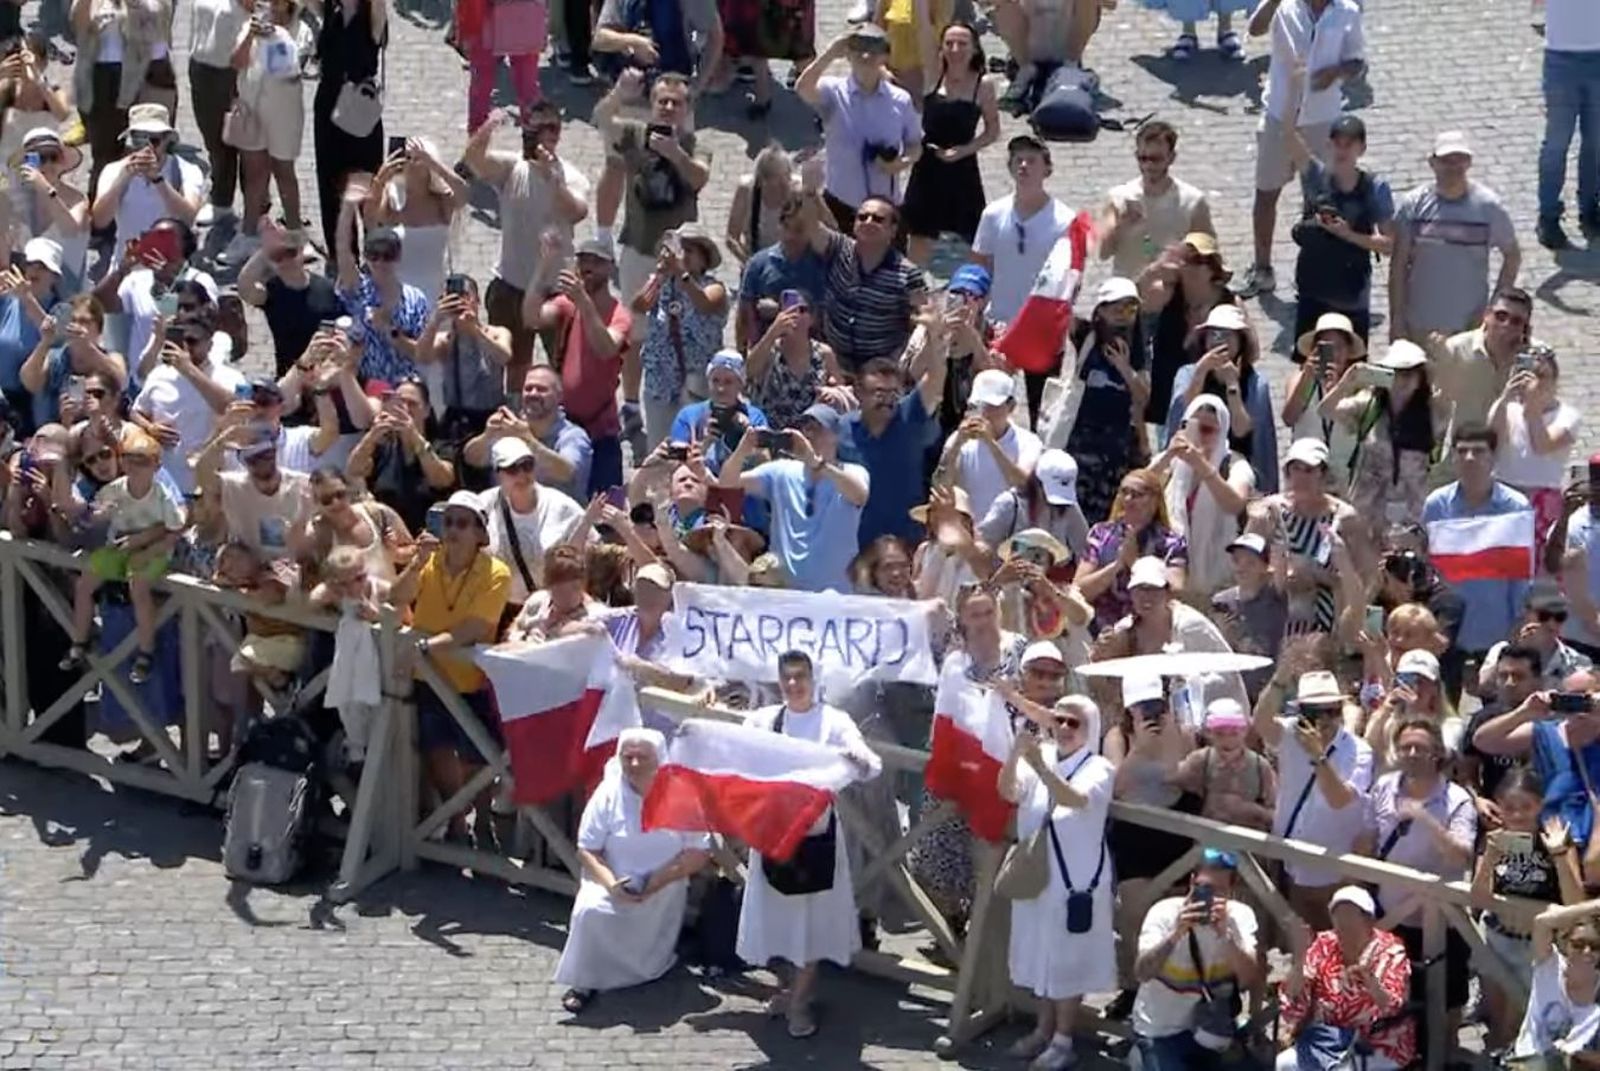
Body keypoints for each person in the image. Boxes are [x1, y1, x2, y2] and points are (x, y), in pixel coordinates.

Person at [736, 650, 882, 1040]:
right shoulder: (765, 720)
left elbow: (871, 764)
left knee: (812, 925)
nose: (794, 684)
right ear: (779, 681)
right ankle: (787, 989)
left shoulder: (834, 721)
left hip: (816, 838)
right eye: (787, 678)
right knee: (775, 921)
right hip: (773, 837)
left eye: (801, 676)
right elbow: (732, 748)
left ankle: (800, 1001)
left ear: (813, 678)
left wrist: (858, 757)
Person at [553, 727, 711, 1012]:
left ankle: (647, 967)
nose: (635, 764)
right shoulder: (608, 793)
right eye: (629, 757)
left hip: (664, 881)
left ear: (660, 759)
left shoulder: (682, 794)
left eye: (643, 757)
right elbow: (587, 849)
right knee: (590, 912)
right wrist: (613, 884)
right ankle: (584, 981)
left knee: (648, 920)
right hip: (610, 877)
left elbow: (698, 852)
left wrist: (656, 881)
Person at [998, 690, 1115, 1071]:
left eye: (1074, 722)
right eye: (1059, 719)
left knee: (1067, 960)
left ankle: (1063, 1040)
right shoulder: (1042, 756)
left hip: (1075, 881)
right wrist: (1017, 753)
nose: (1064, 727)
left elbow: (1075, 799)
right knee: (1040, 954)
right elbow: (1008, 791)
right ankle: (1042, 1029)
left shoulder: (1100, 768)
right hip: (1038, 875)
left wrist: (1040, 766)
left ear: (1090, 728)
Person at [390, 490, 510, 845]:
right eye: (448, 522)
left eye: (462, 523)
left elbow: (474, 628)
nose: (452, 530)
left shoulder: (496, 572)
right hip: (429, 676)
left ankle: (483, 820)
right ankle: (455, 821)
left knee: (479, 756)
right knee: (437, 749)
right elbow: (396, 598)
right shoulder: (430, 560)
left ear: (480, 533)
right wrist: (414, 564)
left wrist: (423, 646)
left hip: (470, 678)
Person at [1355, 717, 1476, 1048]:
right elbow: (1367, 840)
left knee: (1450, 996)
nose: (1411, 753)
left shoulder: (1458, 800)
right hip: (1392, 913)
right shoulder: (1382, 787)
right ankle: (1398, 1052)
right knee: (1394, 991)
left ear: (1437, 752)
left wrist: (1423, 818)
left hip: (1445, 918)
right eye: (1405, 747)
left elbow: (1460, 856)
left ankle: (1447, 1056)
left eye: (1420, 748)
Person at [1236, 0, 1365, 299]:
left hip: (1324, 118)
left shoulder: (1348, 11)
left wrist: (1336, 71)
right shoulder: (1284, 7)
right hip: (1280, 115)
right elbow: (1255, 29)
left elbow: (1357, 62)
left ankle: (1313, 273)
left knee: (1322, 199)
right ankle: (1262, 268)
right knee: (1266, 193)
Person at [462, 104, 589, 391]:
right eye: (537, 129)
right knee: (515, 366)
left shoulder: (571, 176)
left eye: (553, 128)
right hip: (511, 285)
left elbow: (577, 212)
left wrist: (553, 181)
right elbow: (473, 160)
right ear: (525, 131)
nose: (546, 135)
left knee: (564, 365)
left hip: (556, 289)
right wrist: (489, 126)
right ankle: (516, 416)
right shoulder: (511, 167)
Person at [1470, 768, 1586, 1052]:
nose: (1518, 815)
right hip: (1498, 939)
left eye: (1526, 807)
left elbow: (1575, 903)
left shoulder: (1557, 838)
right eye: (1510, 808)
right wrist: (1490, 857)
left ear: (1540, 805)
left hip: (1542, 949)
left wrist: (1558, 853)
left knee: (1532, 1027)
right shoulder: (1494, 839)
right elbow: (1477, 898)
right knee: (1500, 1024)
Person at [593, 70, 710, 348]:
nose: (668, 108)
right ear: (652, 105)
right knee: (634, 331)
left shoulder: (696, 145)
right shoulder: (634, 134)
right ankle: (633, 393)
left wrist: (676, 155)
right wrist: (619, 93)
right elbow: (601, 119)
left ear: (687, 109)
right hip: (638, 249)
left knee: (681, 331)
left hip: (681, 258)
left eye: (676, 103)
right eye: (662, 102)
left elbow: (700, 177)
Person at [1253, 668, 1374, 930]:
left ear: (1340, 711)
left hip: (1337, 868)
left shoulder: (1359, 751)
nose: (1323, 721)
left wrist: (1318, 756)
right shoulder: (1289, 734)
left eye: (1330, 711)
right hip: (1293, 860)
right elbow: (1260, 722)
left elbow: (1339, 800)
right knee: (1302, 941)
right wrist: (1279, 679)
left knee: (1337, 945)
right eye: (1313, 713)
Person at [60, 428, 182, 684]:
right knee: (86, 581)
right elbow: (92, 516)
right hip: (120, 546)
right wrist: (94, 515)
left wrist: (148, 548)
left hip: (155, 549)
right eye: (128, 459)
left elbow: (174, 532)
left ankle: (146, 651)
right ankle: (80, 640)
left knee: (138, 586)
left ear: (155, 464)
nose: (134, 466)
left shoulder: (162, 493)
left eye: (142, 461)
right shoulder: (116, 489)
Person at [1130, 850, 1262, 1070]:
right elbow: (1142, 972)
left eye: (1218, 892)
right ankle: (1142, 1055)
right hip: (1160, 1030)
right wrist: (1176, 934)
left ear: (1231, 891)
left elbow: (1248, 979)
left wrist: (1227, 938)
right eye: (1204, 888)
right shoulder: (1163, 913)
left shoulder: (1240, 917)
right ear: (1192, 882)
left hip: (1213, 1030)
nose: (1209, 898)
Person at [972, 135, 1076, 405]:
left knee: (1041, 408)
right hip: (999, 323)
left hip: (1041, 328)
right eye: (1018, 159)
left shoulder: (1064, 220)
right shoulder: (993, 214)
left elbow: (1071, 280)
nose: (1024, 166)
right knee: (990, 404)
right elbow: (980, 266)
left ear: (1047, 169)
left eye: (1032, 160)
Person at [719, 404, 869, 592]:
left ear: (835, 436)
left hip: (834, 596)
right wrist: (743, 450)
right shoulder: (781, 471)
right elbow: (726, 484)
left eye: (817, 429)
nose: (809, 435)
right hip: (786, 597)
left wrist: (815, 462)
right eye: (805, 429)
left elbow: (859, 495)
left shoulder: (852, 472)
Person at [1389, 132, 1521, 343]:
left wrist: (1495, 308)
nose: (1453, 167)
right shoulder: (1413, 206)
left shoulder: (1488, 207)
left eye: (1459, 160)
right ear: (1432, 163)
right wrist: (1397, 319)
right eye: (1446, 161)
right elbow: (1398, 265)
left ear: (1469, 162)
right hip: (1419, 326)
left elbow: (1512, 256)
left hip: (1469, 330)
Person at [1421, 426, 1533, 669]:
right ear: (1453, 457)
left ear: (1493, 457)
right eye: (1462, 451)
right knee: (1441, 706)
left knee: (1498, 706)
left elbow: (1521, 575)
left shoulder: (1515, 506)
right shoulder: (1436, 505)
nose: (1469, 458)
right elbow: (1429, 568)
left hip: (1495, 630)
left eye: (1478, 451)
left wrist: (1517, 625)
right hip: (1445, 631)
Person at [795, 25, 922, 236]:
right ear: (848, 55)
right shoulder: (833, 91)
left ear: (884, 57)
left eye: (873, 50)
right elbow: (803, 88)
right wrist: (830, 53)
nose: (865, 55)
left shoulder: (900, 100)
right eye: (858, 49)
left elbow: (914, 144)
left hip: (885, 209)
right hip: (840, 206)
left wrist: (901, 163)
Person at [529, 239, 630, 496]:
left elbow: (606, 347)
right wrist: (542, 268)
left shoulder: (620, 314)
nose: (588, 266)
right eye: (583, 259)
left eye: (596, 261)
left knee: (608, 511)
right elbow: (531, 318)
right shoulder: (567, 304)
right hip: (564, 428)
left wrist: (583, 302)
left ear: (610, 268)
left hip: (602, 430)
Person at [1320, 339, 1447, 538]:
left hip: (1413, 517)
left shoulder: (1432, 411)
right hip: (1367, 514)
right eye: (1395, 373)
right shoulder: (1368, 404)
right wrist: (1347, 383)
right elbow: (1326, 410)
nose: (1403, 380)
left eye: (1411, 373)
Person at [1278, 886, 1414, 1070]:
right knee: (1285, 1064)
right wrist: (1301, 956)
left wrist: (1371, 982)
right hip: (1327, 1039)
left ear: (1368, 920)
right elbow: (1294, 998)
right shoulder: (1326, 943)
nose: (1343, 923)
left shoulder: (1389, 952)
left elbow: (1393, 1006)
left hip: (1377, 1043)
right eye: (1337, 916)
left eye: (1349, 916)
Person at [1287, 113, 1393, 348]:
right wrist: (1290, 89)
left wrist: (1349, 235)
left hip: (1351, 294)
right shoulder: (1315, 177)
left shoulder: (1374, 188)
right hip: (1313, 289)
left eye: (1349, 144)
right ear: (1328, 144)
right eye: (1337, 143)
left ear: (1361, 149)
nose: (1342, 150)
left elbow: (1389, 245)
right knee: (1308, 363)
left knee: (1352, 363)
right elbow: (1287, 134)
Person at [899, 19, 997, 267]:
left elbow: (992, 131)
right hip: (928, 165)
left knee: (977, 238)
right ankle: (911, 293)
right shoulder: (934, 74)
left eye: (962, 44)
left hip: (963, 167)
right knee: (919, 236)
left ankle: (980, 292)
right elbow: (922, 30)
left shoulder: (982, 85)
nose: (955, 50)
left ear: (974, 48)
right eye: (949, 43)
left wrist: (964, 151)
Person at [226, 0, 312, 263]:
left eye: (278, 3)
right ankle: (248, 234)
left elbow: (290, 72)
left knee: (284, 172)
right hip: (252, 110)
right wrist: (251, 35)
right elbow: (236, 62)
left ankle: (295, 235)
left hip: (284, 113)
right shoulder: (249, 26)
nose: (272, 6)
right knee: (254, 174)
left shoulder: (301, 30)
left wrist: (276, 37)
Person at [1162, 303, 1277, 495]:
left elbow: (1243, 430)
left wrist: (1232, 386)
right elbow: (1181, 416)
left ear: (1240, 341)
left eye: (1227, 335)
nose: (1219, 341)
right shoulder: (1187, 373)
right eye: (1213, 334)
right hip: (1191, 459)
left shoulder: (1256, 383)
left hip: (1236, 466)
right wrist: (1201, 373)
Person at [633, 224, 729, 447]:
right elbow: (639, 305)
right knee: (660, 451)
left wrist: (682, 274)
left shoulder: (714, 287)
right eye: (679, 249)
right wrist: (659, 275)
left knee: (695, 448)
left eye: (689, 250)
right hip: (660, 385)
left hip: (695, 382)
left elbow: (705, 303)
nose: (682, 255)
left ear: (703, 259)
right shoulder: (662, 285)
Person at [130, 309, 243, 497]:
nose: (185, 348)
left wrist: (188, 369)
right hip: (166, 486)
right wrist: (150, 428)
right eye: (182, 340)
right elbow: (136, 412)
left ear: (209, 344)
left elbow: (230, 409)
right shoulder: (159, 375)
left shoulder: (229, 377)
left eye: (192, 342)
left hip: (210, 486)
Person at [1061, 277, 1148, 523]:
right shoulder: (1087, 335)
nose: (1123, 315)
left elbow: (1143, 396)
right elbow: (1060, 312)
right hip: (1083, 441)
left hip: (1118, 445)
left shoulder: (1137, 345)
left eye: (1130, 308)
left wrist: (1124, 368)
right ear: (1101, 310)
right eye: (1116, 307)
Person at [71, 0, 177, 201]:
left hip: (151, 71)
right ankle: (103, 220)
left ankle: (155, 213)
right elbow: (79, 24)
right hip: (104, 78)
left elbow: (161, 19)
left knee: (153, 150)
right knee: (106, 154)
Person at [308, 0, 389, 260]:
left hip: (359, 108)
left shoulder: (372, 18)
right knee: (330, 182)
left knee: (367, 183)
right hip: (328, 105)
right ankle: (342, 252)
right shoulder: (330, 11)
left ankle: (376, 250)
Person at [1152, 394, 1254, 597]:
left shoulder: (1235, 464)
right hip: (1173, 575)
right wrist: (1168, 455)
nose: (1199, 434)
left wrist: (1202, 464)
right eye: (1191, 426)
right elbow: (1138, 487)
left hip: (1220, 578)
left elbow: (1234, 504)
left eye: (1207, 430)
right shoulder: (1172, 463)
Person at [814, 193, 928, 374]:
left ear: (893, 230)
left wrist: (898, 363)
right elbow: (809, 225)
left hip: (879, 374)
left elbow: (922, 320)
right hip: (833, 365)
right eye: (862, 217)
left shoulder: (908, 274)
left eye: (878, 219)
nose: (868, 221)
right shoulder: (838, 249)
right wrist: (809, 192)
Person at [476, 436, 588, 613]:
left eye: (527, 465)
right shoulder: (483, 506)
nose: (521, 474)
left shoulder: (562, 507)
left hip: (551, 609)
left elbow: (590, 555)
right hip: (499, 608)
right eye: (512, 469)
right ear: (498, 474)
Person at [1138, 232, 1238, 426]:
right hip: (1169, 394)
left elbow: (1252, 348)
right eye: (1186, 260)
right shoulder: (1169, 294)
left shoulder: (1229, 301)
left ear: (1212, 268)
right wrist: (1155, 269)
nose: (1190, 266)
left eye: (1199, 260)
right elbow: (1139, 300)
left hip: (1213, 394)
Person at [1428, 287, 1536, 463]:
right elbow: (1441, 402)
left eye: (1516, 321)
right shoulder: (1456, 349)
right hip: (1465, 452)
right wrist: (1441, 364)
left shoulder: (1532, 358)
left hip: (1511, 457)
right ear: (1487, 315)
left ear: (1525, 327)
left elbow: (1542, 408)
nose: (1506, 325)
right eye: (1501, 316)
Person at [1098, 120, 1214, 282]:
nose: (1148, 166)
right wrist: (1121, 225)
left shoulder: (1192, 201)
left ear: (1171, 158)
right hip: (1129, 290)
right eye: (1142, 158)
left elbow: (1209, 253)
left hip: (1172, 289)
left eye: (1156, 159)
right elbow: (1103, 253)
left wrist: (1181, 254)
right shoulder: (1119, 198)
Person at [361, 137, 469, 307]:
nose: (410, 164)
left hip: (435, 294)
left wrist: (434, 164)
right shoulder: (393, 200)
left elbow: (463, 194)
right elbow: (369, 218)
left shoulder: (441, 202)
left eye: (417, 159)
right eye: (407, 158)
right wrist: (380, 179)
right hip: (397, 295)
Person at [1077, 469, 1188, 633]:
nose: (1128, 500)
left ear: (1154, 501)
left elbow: (1175, 592)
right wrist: (1117, 566)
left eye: (1137, 494)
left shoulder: (1172, 542)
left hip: (1148, 633)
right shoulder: (1101, 534)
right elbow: (1079, 590)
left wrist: (1135, 563)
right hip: (1102, 632)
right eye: (1124, 492)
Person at [1489, 345, 1579, 545]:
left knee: (1537, 563)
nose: (1536, 382)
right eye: (1531, 374)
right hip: (1504, 490)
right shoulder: (1508, 408)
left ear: (1555, 381)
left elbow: (1542, 445)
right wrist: (1505, 397)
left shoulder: (1567, 415)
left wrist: (1533, 406)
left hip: (1542, 495)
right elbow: (1491, 438)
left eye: (1543, 376)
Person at [462, 365, 592, 501]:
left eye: (542, 389)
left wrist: (527, 439)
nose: (533, 394)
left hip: (558, 519)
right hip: (508, 517)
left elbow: (568, 472)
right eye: (528, 388)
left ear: (559, 396)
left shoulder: (572, 436)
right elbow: (471, 459)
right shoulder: (511, 427)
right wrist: (487, 435)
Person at [344, 377, 455, 532]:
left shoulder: (441, 446)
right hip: (388, 538)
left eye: (413, 404)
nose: (406, 409)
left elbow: (442, 479)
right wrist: (373, 435)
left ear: (427, 410)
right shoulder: (383, 449)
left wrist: (414, 436)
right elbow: (353, 470)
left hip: (429, 540)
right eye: (400, 402)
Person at [412, 272, 513, 436]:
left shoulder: (497, 333)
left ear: (477, 300)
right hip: (456, 417)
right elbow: (422, 357)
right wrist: (435, 320)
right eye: (451, 298)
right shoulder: (445, 340)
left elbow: (504, 356)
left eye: (465, 296)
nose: (459, 302)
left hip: (490, 416)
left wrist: (475, 331)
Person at [935, 368, 1041, 523]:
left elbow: (1022, 484)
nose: (985, 413)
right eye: (980, 405)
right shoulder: (959, 440)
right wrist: (956, 445)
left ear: (1011, 406)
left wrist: (991, 443)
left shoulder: (1028, 442)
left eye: (992, 406)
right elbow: (941, 486)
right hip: (971, 531)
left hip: (1011, 531)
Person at [236, 224, 343, 378]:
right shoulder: (272, 291)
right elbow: (244, 286)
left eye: (291, 253)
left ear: (302, 253)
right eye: (278, 257)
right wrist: (266, 250)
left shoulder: (326, 287)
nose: (286, 261)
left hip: (327, 374)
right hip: (289, 377)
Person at [333, 217, 430, 385]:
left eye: (388, 256)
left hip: (403, 387)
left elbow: (421, 354)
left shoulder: (415, 299)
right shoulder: (358, 289)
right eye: (374, 256)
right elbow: (342, 249)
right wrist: (348, 206)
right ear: (365, 257)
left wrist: (390, 330)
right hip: (363, 385)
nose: (380, 262)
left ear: (398, 257)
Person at [1536, 0, 1600, 248]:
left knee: (1596, 141)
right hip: (1560, 59)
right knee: (1557, 143)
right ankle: (1549, 216)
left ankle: (1590, 208)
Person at [18, 293, 126, 430]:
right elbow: (29, 383)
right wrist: (45, 342)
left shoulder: (112, 358)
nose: (76, 325)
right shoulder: (54, 358)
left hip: (99, 435)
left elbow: (121, 381)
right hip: (54, 435)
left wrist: (87, 347)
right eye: (72, 320)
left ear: (99, 329)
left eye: (84, 321)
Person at [187, 0, 251, 231]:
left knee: (244, 142)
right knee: (215, 139)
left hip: (234, 72)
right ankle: (221, 201)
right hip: (201, 67)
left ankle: (255, 211)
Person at [745, 290, 844, 433]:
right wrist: (772, 333)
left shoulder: (824, 354)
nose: (795, 315)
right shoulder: (770, 350)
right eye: (789, 310)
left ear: (812, 318)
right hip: (772, 434)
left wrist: (831, 394)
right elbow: (748, 371)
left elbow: (841, 393)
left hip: (809, 436)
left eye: (802, 310)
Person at [1510, 902, 1600, 1060]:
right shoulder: (1550, 966)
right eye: (1578, 944)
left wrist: (1577, 1056)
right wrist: (1595, 906)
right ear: (1566, 944)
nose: (1586, 952)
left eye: (1595, 946)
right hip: (1525, 1061)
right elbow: (1542, 922)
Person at [5, 127, 90, 296]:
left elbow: (70, 229)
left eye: (54, 157)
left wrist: (46, 189)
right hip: (28, 292)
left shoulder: (77, 199)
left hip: (68, 294)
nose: (49, 164)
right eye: (41, 158)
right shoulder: (20, 202)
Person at [724, 144, 795, 265]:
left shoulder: (798, 192)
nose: (784, 184)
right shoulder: (746, 191)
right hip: (756, 259)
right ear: (762, 180)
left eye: (787, 176)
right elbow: (731, 237)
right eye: (777, 178)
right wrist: (749, 264)